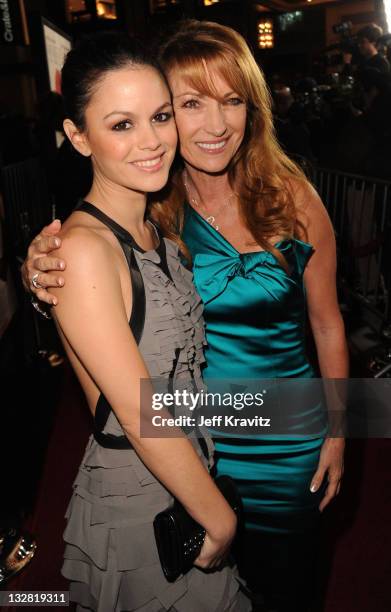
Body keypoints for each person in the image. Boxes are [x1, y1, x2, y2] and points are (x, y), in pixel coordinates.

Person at [23, 20, 347, 612]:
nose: (215, 125)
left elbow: (327, 322)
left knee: (291, 586)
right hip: (199, 436)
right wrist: (44, 270)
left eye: (232, 101)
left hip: (287, 432)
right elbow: (103, 275)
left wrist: (340, 428)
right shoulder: (159, 204)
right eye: (190, 104)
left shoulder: (288, 195)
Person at [29, 31, 250, 612]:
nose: (151, 141)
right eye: (121, 125)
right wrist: (220, 519)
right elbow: (139, 410)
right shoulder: (82, 249)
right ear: (78, 136)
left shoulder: (156, 228)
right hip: (138, 503)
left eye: (159, 116)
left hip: (188, 476)